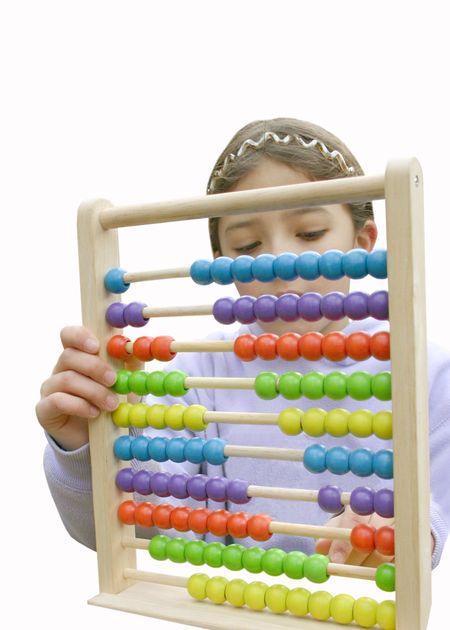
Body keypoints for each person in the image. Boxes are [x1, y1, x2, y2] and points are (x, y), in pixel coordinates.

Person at [36, 117, 450, 570]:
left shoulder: (425, 371)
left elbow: (436, 519)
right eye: (247, 245)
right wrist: (85, 444)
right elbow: (128, 523)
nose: (277, 261)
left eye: (310, 233)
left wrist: (402, 531)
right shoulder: (200, 374)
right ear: (221, 265)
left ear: (364, 242)